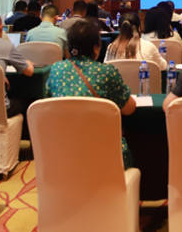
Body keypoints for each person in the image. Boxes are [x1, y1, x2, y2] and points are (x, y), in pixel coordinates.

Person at [46, 20, 136, 167]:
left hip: (63, 154)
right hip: (105, 157)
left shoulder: (56, 69)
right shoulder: (106, 72)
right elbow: (129, 108)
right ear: (96, 47)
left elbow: (47, 102)